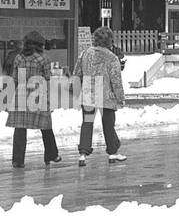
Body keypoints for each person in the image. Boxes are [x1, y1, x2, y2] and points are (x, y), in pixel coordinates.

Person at [6, 31, 61, 167]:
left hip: (21, 95)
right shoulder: (44, 59)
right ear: (40, 45)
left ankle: (17, 160)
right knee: (46, 126)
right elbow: (47, 81)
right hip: (38, 95)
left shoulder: (19, 58)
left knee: (20, 129)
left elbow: (14, 78)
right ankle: (51, 155)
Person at [74, 26, 127, 167]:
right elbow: (116, 80)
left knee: (87, 122)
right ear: (109, 40)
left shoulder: (85, 54)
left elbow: (77, 74)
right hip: (106, 94)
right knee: (108, 125)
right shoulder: (112, 57)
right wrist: (120, 97)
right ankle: (112, 152)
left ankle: (83, 154)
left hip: (89, 93)